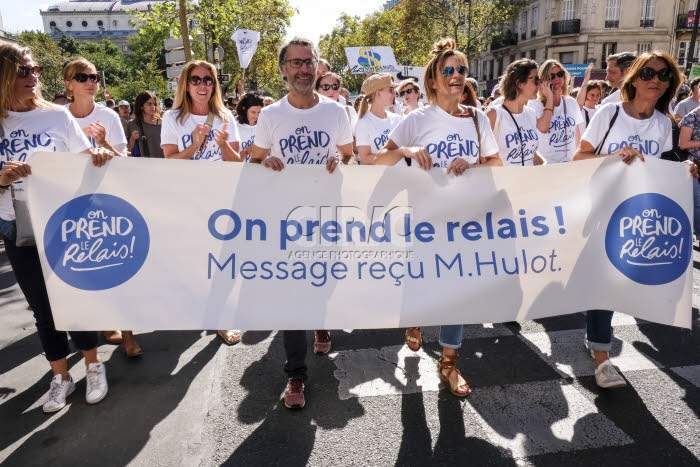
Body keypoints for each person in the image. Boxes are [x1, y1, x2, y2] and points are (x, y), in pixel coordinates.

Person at [375, 38, 503, 397]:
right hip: (424, 218)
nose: (457, 75)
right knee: (420, 280)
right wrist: (406, 149)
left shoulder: (478, 119)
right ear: (433, 80)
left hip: (464, 219)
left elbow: (497, 164)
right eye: (449, 70)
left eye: (462, 69)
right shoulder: (416, 119)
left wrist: (473, 163)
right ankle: (413, 318)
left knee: (457, 290)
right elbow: (378, 161)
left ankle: (448, 360)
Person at [573, 51, 697, 388]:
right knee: (605, 284)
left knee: (618, 282)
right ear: (635, 78)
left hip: (637, 217)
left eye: (664, 75)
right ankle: (601, 357)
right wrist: (613, 157)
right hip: (600, 210)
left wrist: (685, 170)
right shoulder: (609, 113)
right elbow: (579, 157)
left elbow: (664, 168)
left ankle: (595, 338)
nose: (656, 80)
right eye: (648, 73)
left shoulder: (662, 124)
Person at [0, 43, 113, 412]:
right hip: (16, 228)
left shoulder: (57, 117)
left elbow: (85, 159)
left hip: (63, 225)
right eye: (23, 71)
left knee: (73, 296)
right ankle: (61, 377)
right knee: (41, 307)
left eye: (35, 70)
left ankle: (94, 366)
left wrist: (97, 155)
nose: (33, 77)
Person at [248, 37, 354, 409]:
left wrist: (342, 163)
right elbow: (253, 160)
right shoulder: (272, 115)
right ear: (283, 70)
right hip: (287, 224)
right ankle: (296, 375)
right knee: (290, 298)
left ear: (317, 66)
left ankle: (320, 319)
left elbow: (348, 156)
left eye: (309, 62)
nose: (304, 69)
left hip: (327, 218)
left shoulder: (336, 112)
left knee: (323, 285)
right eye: (296, 63)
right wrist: (265, 163)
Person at [161, 60, 244, 345]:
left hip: (221, 198)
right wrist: (195, 144)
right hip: (187, 199)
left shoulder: (225, 117)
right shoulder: (172, 119)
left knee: (220, 259)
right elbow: (170, 162)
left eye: (208, 80)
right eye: (196, 80)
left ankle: (221, 316)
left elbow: (238, 163)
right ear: (185, 84)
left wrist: (222, 146)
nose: (202, 85)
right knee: (195, 258)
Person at [62, 58, 142, 354]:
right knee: (82, 268)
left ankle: (130, 335)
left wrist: (104, 143)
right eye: (83, 77)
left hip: (108, 200)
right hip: (70, 203)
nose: (91, 81)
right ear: (68, 84)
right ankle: (101, 325)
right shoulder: (57, 117)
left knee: (119, 266)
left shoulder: (108, 117)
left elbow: (124, 161)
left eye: (94, 76)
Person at [486, 58, 545, 166]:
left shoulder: (531, 114)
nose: (539, 85)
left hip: (528, 181)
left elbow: (529, 150)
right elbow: (482, 156)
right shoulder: (494, 115)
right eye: (535, 80)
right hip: (503, 181)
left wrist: (543, 163)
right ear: (519, 83)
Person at [529, 59, 584, 163]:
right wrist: (549, 97)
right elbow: (543, 128)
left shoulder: (571, 102)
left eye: (560, 74)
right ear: (543, 81)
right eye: (552, 76)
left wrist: (578, 159)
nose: (557, 78)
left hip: (569, 163)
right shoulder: (534, 104)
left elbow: (576, 134)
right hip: (547, 165)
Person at [354, 73, 402, 165]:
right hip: (379, 178)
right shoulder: (363, 123)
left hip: (399, 176)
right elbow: (366, 158)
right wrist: (399, 154)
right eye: (391, 90)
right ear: (378, 93)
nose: (394, 94)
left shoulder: (397, 119)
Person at [126, 91, 164, 158]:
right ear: (141, 106)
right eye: (149, 104)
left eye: (154, 104)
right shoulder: (132, 124)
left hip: (165, 163)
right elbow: (127, 149)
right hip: (143, 165)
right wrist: (132, 139)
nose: (153, 107)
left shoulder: (163, 123)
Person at [235, 92, 264, 162]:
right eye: (253, 112)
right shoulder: (235, 128)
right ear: (244, 109)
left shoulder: (265, 127)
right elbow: (232, 159)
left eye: (259, 112)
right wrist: (250, 149)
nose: (257, 116)